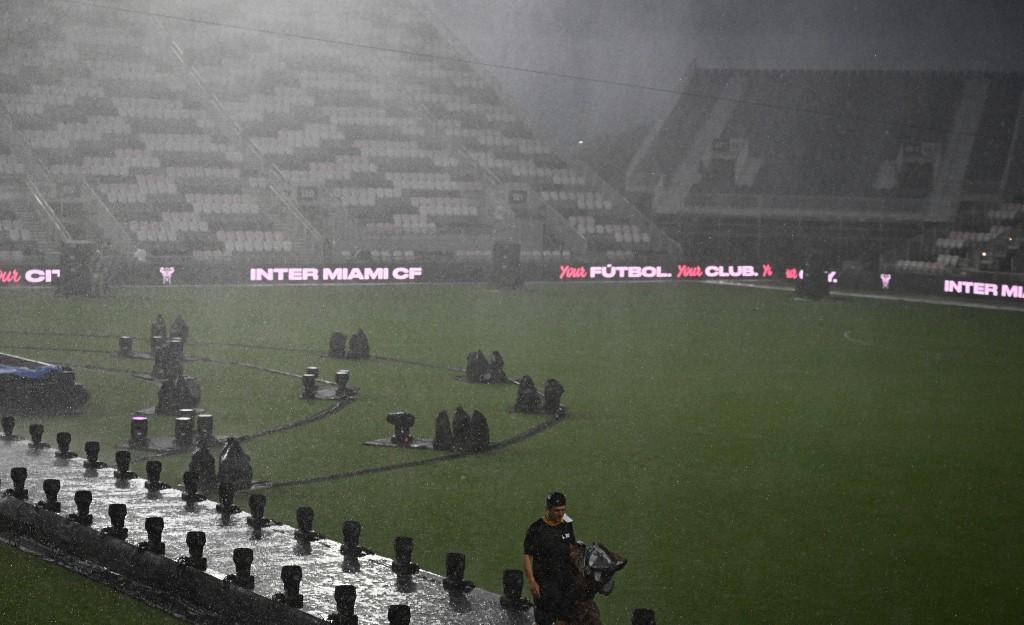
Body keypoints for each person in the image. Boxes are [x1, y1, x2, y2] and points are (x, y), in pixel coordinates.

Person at [523, 492, 577, 625]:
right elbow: (527, 555)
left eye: (563, 510)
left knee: (564, 618)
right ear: (548, 509)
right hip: (545, 582)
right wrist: (531, 581)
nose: (561, 514)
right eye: (557, 510)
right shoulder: (536, 528)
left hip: (565, 581)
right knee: (545, 619)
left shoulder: (567, 523)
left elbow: (572, 547)